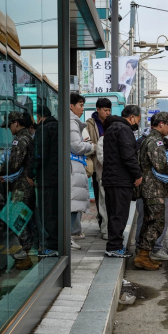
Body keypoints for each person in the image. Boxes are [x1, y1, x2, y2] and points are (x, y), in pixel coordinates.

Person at [134, 112, 168, 270]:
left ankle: (144, 255)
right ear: (161, 124)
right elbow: (160, 165)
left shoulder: (150, 139)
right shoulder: (156, 141)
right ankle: (143, 256)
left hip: (150, 188)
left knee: (149, 223)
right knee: (157, 223)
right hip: (153, 190)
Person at [102, 105, 143, 257]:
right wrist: (137, 175)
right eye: (138, 120)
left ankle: (113, 245)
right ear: (132, 117)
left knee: (114, 213)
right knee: (119, 214)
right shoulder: (124, 130)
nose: (137, 123)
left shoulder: (112, 128)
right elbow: (128, 156)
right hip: (120, 180)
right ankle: (114, 247)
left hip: (111, 179)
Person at [0, 111, 36, 270]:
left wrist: (1, 168)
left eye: (10, 125)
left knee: (15, 216)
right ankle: (28, 250)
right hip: (24, 184)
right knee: (21, 217)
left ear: (16, 123)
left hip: (21, 186)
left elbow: (14, 164)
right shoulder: (27, 137)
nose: (9, 129)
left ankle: (27, 251)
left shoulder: (20, 140)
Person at [33, 105, 59, 257]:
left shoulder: (44, 129)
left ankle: (52, 246)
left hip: (47, 178)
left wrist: (32, 173)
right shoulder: (59, 127)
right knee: (55, 211)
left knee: (47, 212)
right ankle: (55, 243)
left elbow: (39, 155)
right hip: (58, 177)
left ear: (38, 116)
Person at [69, 92, 93, 250]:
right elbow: (77, 146)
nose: (82, 109)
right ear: (71, 106)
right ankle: (68, 237)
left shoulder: (73, 121)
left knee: (73, 203)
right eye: (80, 105)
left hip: (75, 168)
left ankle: (70, 235)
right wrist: (92, 146)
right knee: (71, 203)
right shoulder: (71, 122)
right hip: (73, 168)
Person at [86, 97, 112, 240]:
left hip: (108, 169)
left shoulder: (112, 122)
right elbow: (86, 145)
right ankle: (103, 224)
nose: (107, 112)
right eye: (105, 110)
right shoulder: (89, 124)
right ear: (98, 109)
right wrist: (98, 147)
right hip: (97, 167)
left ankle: (106, 226)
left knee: (107, 199)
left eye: (109, 110)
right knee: (99, 198)